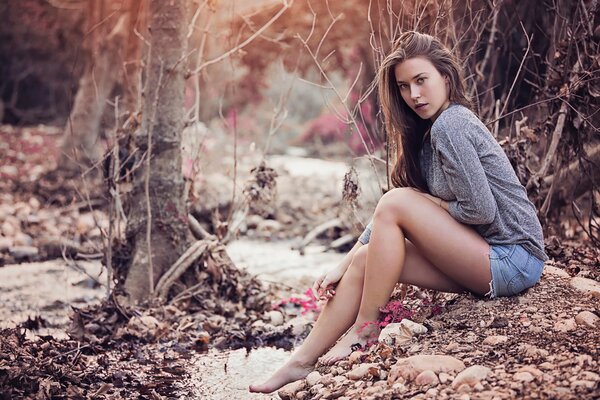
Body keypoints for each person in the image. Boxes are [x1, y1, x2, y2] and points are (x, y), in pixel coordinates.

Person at [249, 31, 547, 394]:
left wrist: (431, 205)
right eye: (405, 86)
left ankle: (364, 330)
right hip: (482, 257)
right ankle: (299, 362)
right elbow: (395, 214)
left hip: (514, 259)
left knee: (396, 201)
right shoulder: (427, 134)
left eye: (421, 81)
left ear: (446, 78)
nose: (414, 95)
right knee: (364, 260)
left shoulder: (452, 124)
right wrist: (342, 264)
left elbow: (480, 210)